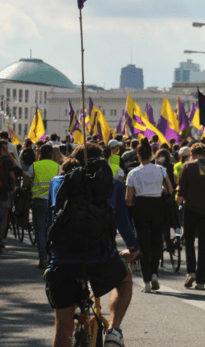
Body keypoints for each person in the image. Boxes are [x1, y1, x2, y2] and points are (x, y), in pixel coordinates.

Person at [45, 143, 140, 347]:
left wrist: (49, 254)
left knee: (62, 325)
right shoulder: (113, 185)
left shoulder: (56, 182)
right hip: (101, 259)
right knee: (125, 280)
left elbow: (49, 223)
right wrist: (133, 249)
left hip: (62, 261)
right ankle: (114, 331)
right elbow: (123, 222)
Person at [125, 142, 172, 293]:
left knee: (143, 244)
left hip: (141, 207)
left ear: (138, 156)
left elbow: (129, 198)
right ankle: (154, 274)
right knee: (157, 241)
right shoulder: (160, 169)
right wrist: (161, 189)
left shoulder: (133, 173)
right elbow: (170, 189)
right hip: (158, 205)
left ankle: (146, 283)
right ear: (152, 155)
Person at [176, 143, 205, 290]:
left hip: (190, 209)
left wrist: (176, 207)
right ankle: (201, 282)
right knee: (203, 245)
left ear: (192, 153)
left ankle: (191, 272)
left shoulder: (187, 167)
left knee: (189, 242)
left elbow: (182, 190)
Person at [22, 144, 59, 269]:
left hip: (38, 202)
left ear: (40, 155)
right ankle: (53, 257)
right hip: (54, 203)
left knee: (40, 231)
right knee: (53, 231)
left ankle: (43, 258)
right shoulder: (57, 167)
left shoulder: (35, 166)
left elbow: (26, 181)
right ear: (52, 155)